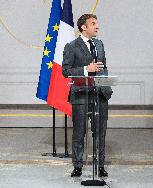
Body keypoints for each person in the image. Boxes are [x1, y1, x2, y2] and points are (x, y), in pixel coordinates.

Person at [62, 14, 112, 177]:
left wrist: (107, 88)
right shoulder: (72, 46)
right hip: (81, 95)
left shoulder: (99, 44)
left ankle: (100, 165)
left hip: (100, 95)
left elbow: (103, 67)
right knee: (79, 132)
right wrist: (85, 69)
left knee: (100, 132)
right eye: (93, 24)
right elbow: (66, 71)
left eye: (97, 23)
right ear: (84, 27)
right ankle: (78, 165)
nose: (97, 26)